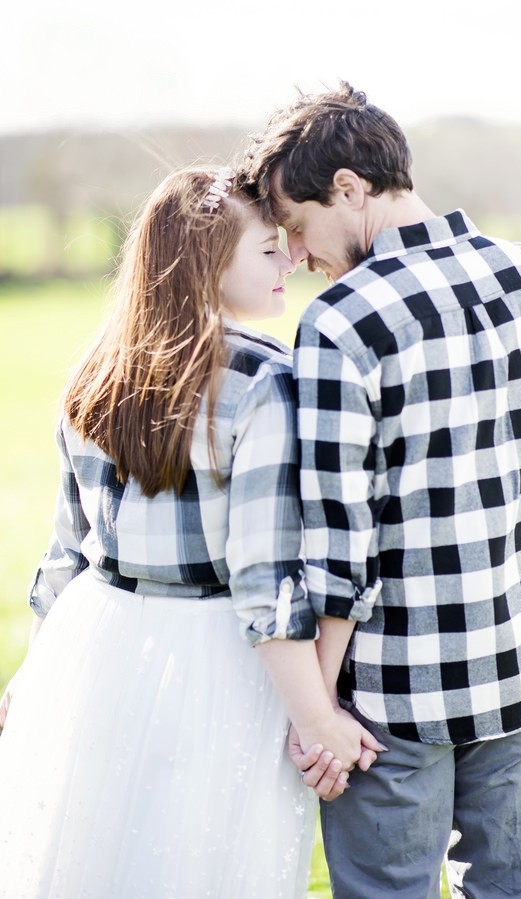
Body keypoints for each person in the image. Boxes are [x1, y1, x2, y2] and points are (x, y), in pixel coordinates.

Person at [239, 82, 521, 897]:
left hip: (389, 702)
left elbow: (340, 549)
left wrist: (321, 718)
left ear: (349, 189)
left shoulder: (342, 322)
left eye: (296, 228)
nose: (298, 257)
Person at [0, 166, 383, 899]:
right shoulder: (266, 381)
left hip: (94, 639)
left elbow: (63, 553)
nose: (290, 262)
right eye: (267, 250)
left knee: (101, 856)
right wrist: (316, 719)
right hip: (214, 649)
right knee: (199, 862)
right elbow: (261, 573)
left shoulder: (94, 370)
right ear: (209, 263)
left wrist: (35, 670)